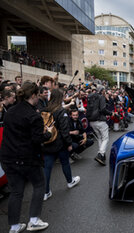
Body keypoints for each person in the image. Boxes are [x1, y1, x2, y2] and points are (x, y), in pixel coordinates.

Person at [0, 82, 51, 232]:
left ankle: (14, 227)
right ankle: (34, 220)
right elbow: (37, 139)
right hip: (26, 158)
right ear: (34, 95)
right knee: (39, 185)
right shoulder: (33, 116)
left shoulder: (10, 111)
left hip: (8, 157)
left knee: (16, 192)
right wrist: (47, 134)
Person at [42, 89, 80, 201]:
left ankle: (46, 191)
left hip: (48, 141)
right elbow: (64, 130)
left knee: (47, 168)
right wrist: (68, 143)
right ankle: (70, 181)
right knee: (65, 163)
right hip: (59, 143)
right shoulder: (61, 111)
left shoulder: (46, 109)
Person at [86, 85, 114, 165]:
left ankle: (102, 154)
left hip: (92, 121)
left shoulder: (90, 96)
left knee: (100, 138)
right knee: (105, 138)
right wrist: (110, 113)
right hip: (100, 120)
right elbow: (102, 109)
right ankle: (100, 154)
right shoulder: (101, 97)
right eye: (104, 90)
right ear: (102, 91)